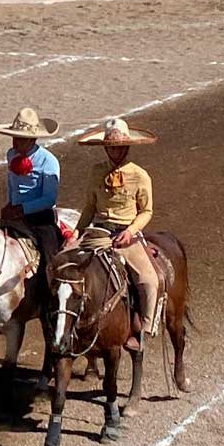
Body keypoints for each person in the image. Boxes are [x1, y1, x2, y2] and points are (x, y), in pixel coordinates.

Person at [73, 117, 160, 349]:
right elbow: (90, 207)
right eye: (111, 147)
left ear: (127, 147)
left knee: (149, 279)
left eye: (119, 146)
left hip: (126, 235)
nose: (115, 151)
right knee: (65, 267)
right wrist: (75, 234)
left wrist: (131, 231)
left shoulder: (140, 175)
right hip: (98, 232)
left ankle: (143, 328)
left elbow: (147, 211)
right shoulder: (95, 172)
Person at [0, 107, 62, 266]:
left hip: (40, 218)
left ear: (32, 140)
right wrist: (10, 203)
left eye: (20, 138)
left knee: (51, 259)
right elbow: (11, 183)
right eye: (14, 137)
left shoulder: (48, 161)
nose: (15, 142)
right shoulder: (11, 154)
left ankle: (53, 287)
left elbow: (49, 199)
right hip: (13, 213)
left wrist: (22, 209)